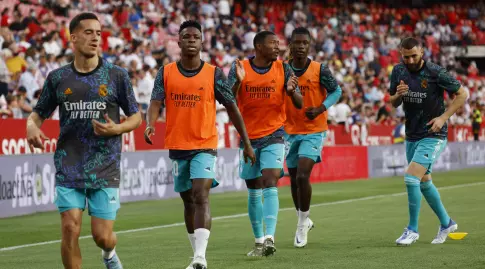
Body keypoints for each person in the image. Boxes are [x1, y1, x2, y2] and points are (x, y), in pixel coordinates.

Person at [26, 12, 142, 269]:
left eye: (99, 33)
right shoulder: (58, 78)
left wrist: (117, 129)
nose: (95, 38)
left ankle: (109, 254)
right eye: (88, 32)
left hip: (105, 164)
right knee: (69, 228)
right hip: (69, 163)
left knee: (102, 237)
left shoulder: (117, 76)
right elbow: (37, 115)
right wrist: (30, 126)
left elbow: (136, 117)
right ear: (73, 37)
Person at [145, 20, 255, 269]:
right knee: (187, 200)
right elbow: (155, 102)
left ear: (202, 41)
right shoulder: (166, 72)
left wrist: (246, 143)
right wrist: (150, 123)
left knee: (200, 194)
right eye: (187, 36)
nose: (192, 39)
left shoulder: (214, 73)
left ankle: (200, 258)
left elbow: (231, 106)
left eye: (196, 36)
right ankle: (196, 255)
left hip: (205, 144)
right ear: (179, 41)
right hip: (177, 144)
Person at [228, 30, 302, 256]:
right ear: (259, 47)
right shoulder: (239, 67)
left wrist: (292, 92)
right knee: (253, 189)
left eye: (278, 43)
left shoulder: (283, 68)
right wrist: (238, 83)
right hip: (248, 137)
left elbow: (299, 102)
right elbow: (228, 101)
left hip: (274, 134)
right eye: (273, 43)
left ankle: (270, 237)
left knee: (270, 179)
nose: (278, 47)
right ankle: (259, 240)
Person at [390, 37, 468, 246]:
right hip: (412, 134)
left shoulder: (436, 72)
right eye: (406, 57)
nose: (411, 60)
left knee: (410, 178)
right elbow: (392, 101)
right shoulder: (398, 71)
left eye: (414, 55)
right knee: (424, 182)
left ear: (422, 52)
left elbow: (462, 94)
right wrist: (398, 95)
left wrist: (443, 118)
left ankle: (412, 230)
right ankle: (447, 223)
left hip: (434, 133)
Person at [284, 27, 342, 248]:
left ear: (309, 45)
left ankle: (301, 223)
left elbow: (336, 91)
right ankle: (304, 219)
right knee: (292, 178)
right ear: (290, 45)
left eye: (304, 43)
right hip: (289, 130)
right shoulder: (282, 69)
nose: (300, 46)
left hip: (314, 129)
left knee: (301, 176)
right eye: (296, 42)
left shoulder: (320, 69)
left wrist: (320, 108)